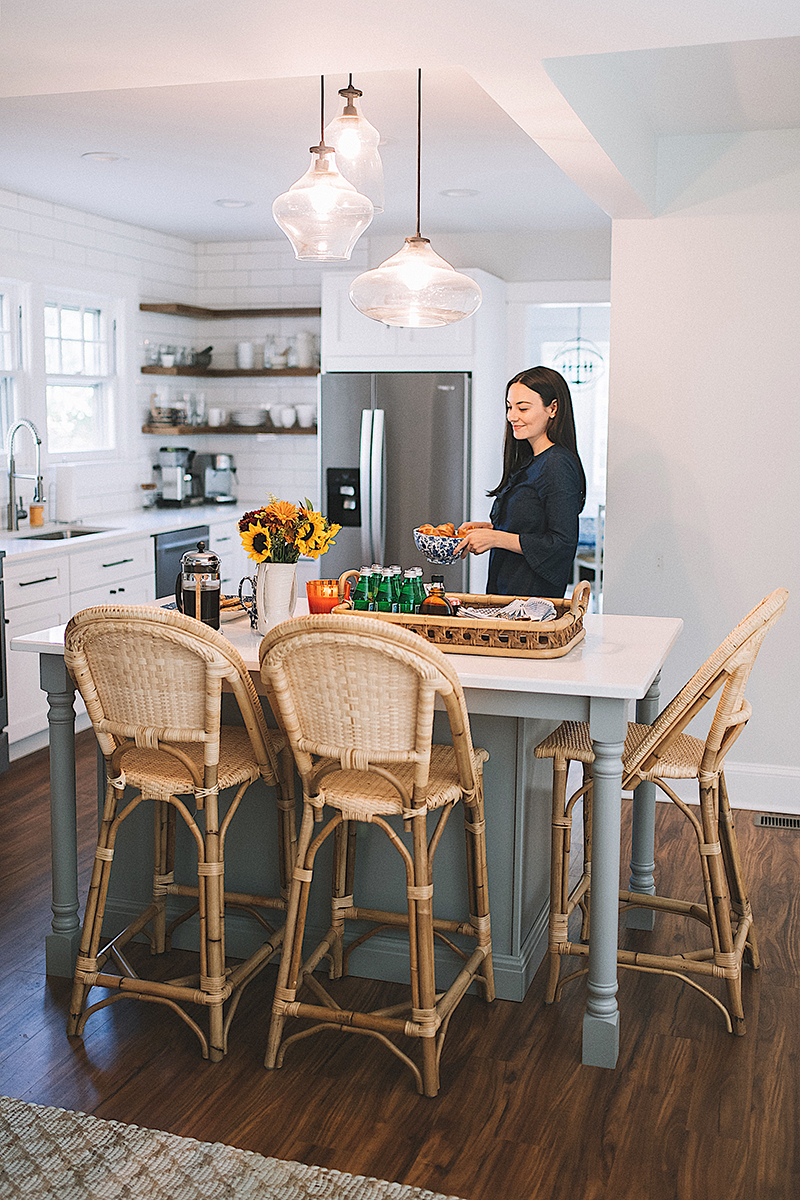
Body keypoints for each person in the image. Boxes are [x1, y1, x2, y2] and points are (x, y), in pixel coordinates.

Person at [457, 366, 586, 597]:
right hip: (508, 597)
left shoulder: (557, 464)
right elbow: (531, 528)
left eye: (523, 408)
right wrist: (487, 531)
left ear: (553, 408)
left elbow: (562, 544)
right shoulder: (530, 462)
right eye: (509, 407)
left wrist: (496, 538)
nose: (511, 416)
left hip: (532, 607)